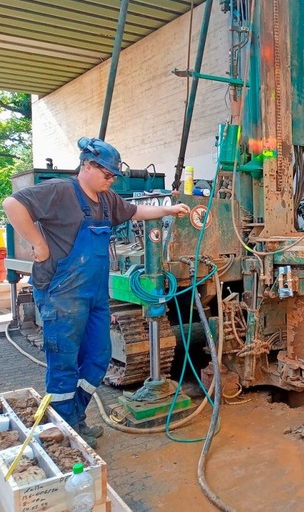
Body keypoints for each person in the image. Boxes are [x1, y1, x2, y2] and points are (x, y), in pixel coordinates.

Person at [3, 138, 190, 448]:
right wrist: (38, 243)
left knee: (99, 357)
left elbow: (135, 211)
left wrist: (171, 208)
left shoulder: (107, 200)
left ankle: (72, 418)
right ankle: (63, 433)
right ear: (87, 166)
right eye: (108, 173)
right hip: (62, 295)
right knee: (64, 363)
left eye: (114, 175)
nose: (112, 179)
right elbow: (12, 204)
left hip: (94, 296)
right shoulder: (61, 191)